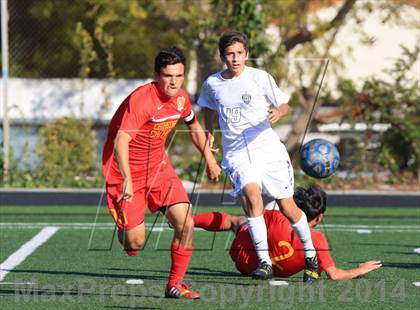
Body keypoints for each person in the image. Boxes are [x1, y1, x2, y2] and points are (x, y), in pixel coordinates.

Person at [197, 31, 319, 282]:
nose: (235, 58)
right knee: (252, 196)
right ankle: (264, 262)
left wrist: (279, 112)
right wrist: (209, 136)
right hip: (237, 154)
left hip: (268, 149)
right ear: (223, 57)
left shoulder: (260, 78)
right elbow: (208, 108)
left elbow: (285, 105)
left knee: (287, 206)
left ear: (247, 54)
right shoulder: (213, 83)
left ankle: (310, 255)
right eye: (230, 54)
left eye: (239, 53)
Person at [102, 47, 221, 299]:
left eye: (179, 75)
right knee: (134, 243)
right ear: (157, 75)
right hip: (126, 172)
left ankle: (175, 284)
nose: (174, 81)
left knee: (186, 222)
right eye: (168, 76)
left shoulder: (181, 98)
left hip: (158, 167)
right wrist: (128, 181)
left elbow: (194, 126)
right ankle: (126, 224)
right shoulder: (143, 100)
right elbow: (120, 141)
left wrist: (210, 159)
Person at [193, 185, 382, 280]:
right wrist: (360, 269)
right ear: (319, 218)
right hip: (267, 270)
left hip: (245, 262)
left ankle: (188, 221)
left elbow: (253, 214)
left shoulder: (277, 216)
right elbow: (335, 275)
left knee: (237, 221)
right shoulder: (318, 239)